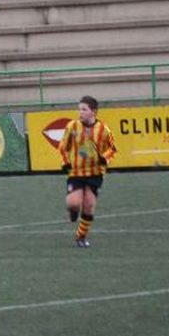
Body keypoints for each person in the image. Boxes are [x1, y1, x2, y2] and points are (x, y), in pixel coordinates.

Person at [57, 95, 117, 248]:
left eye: (84, 109)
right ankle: (73, 211)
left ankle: (81, 237)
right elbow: (63, 147)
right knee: (73, 203)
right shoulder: (72, 126)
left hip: (95, 173)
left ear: (94, 112)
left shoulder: (103, 129)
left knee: (89, 205)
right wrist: (65, 162)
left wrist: (105, 158)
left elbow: (113, 149)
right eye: (79, 109)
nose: (80, 113)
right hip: (76, 172)